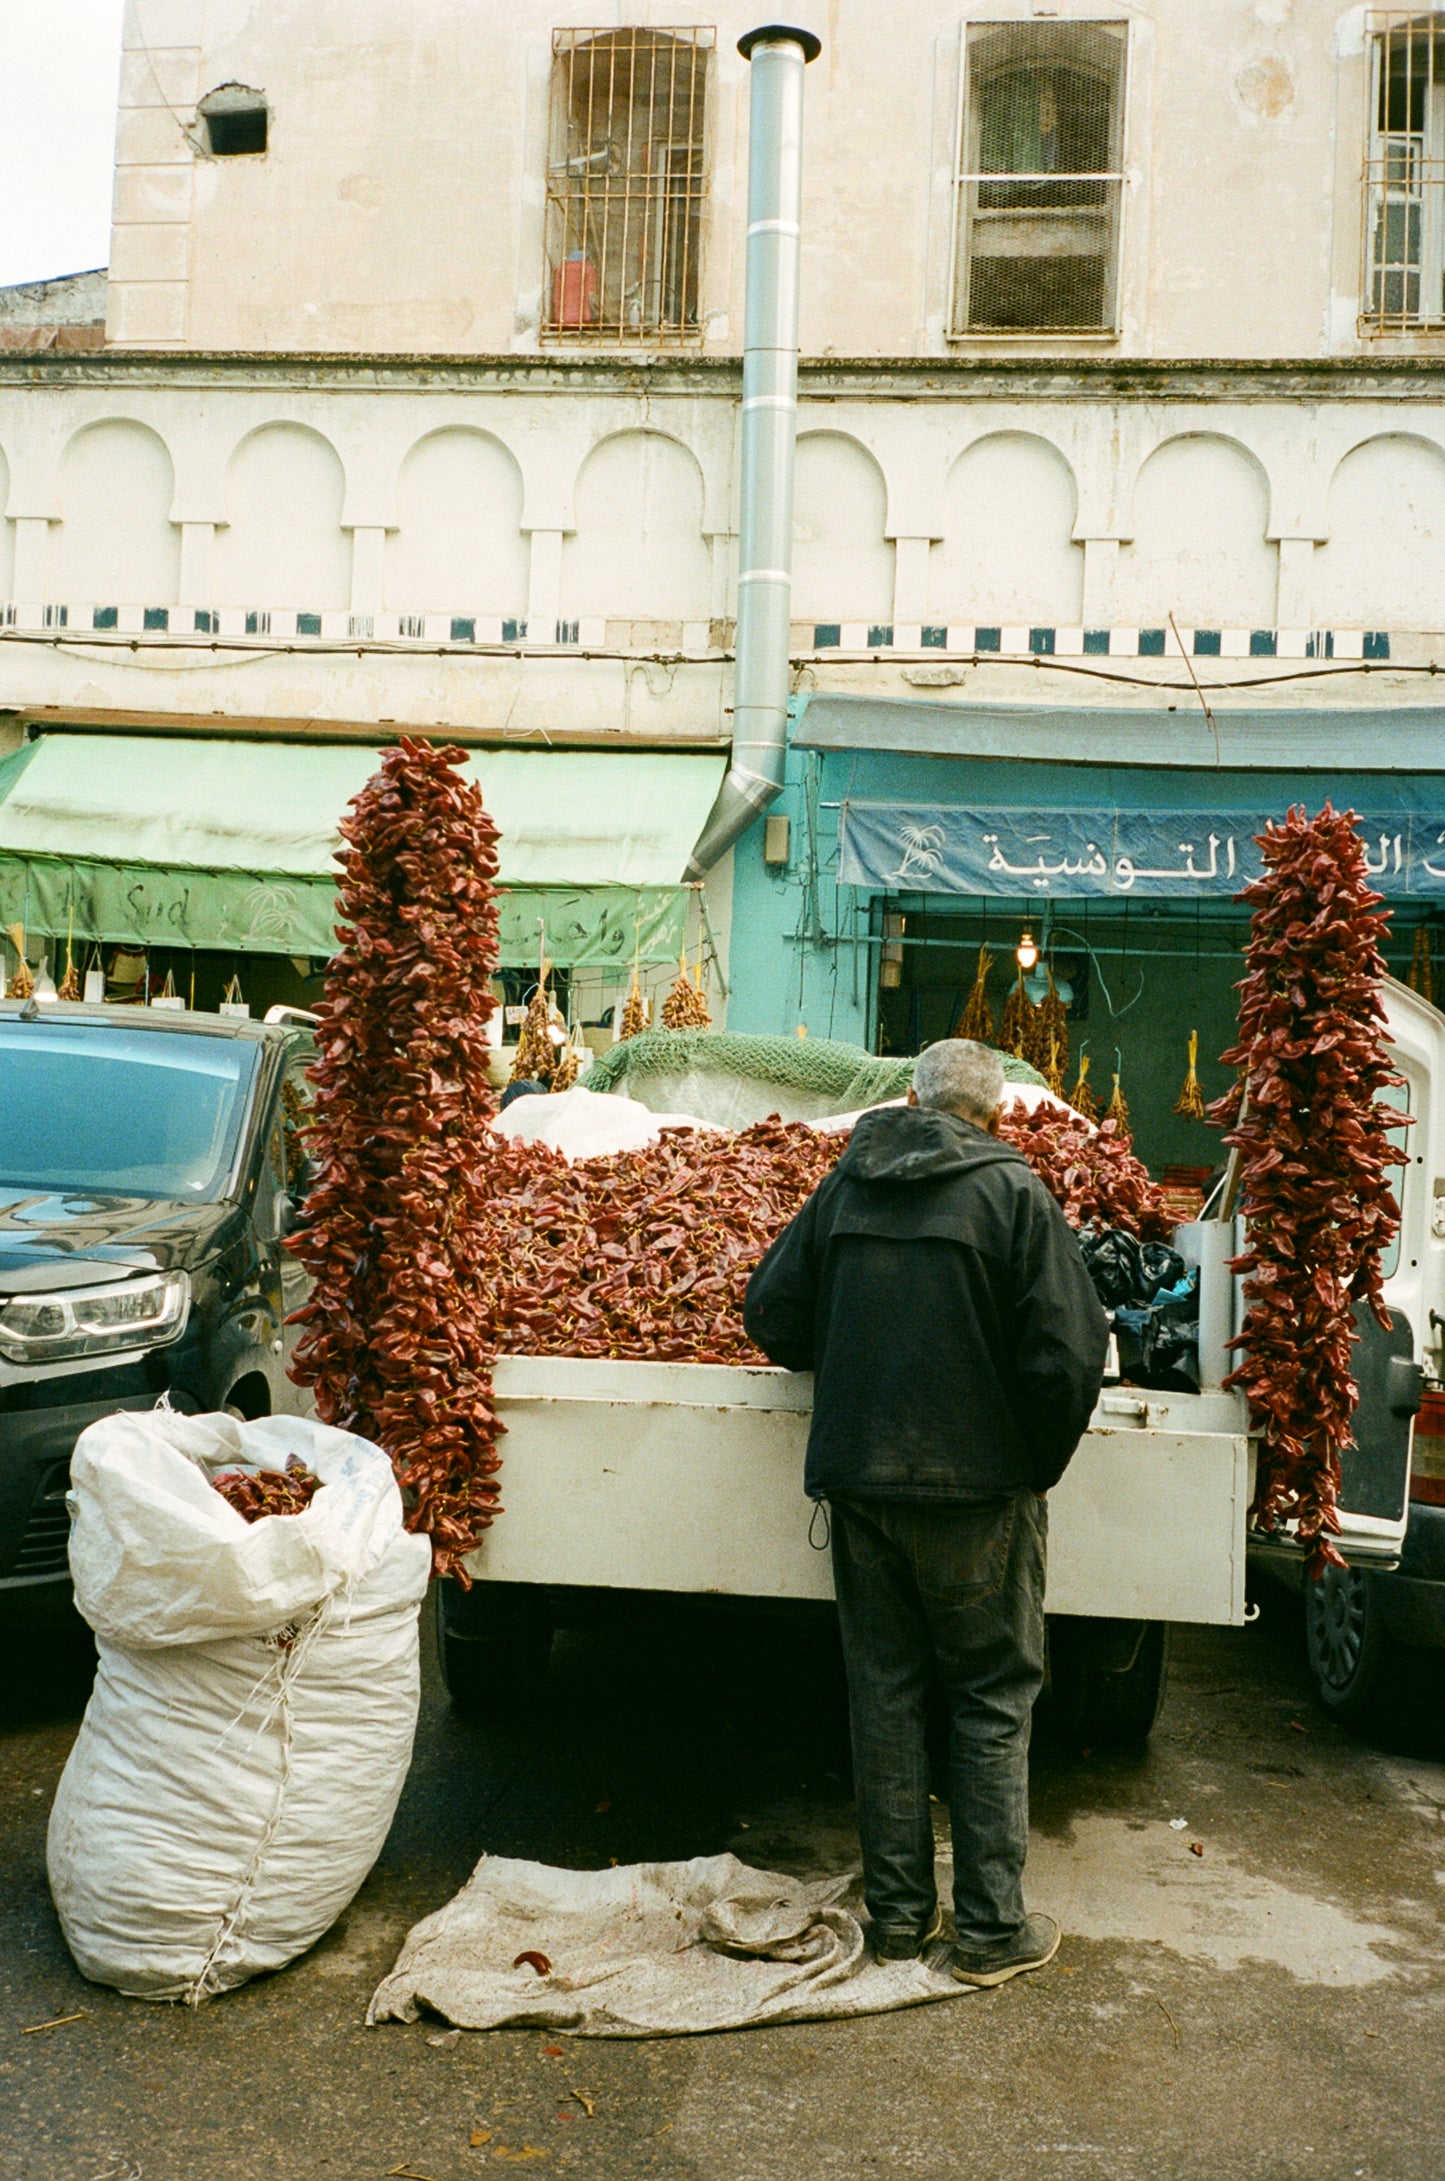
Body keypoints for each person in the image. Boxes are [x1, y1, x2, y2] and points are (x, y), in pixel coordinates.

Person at [743, 1039, 1108, 1987]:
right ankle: (989, 1931)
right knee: (990, 1698)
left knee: (886, 1694)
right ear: (996, 1114)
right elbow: (1069, 1354)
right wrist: (1028, 1464)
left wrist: (860, 1360)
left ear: (911, 1099)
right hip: (979, 1490)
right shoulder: (1013, 1194)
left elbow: (772, 1316)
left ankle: (898, 1921)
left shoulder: (846, 1183)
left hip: (861, 1486)